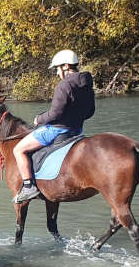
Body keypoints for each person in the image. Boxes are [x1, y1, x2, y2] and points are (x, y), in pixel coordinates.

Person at [12, 50, 95, 203]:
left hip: (57, 130)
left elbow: (56, 114)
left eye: (57, 68)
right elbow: (90, 111)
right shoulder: (87, 83)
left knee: (18, 149)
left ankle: (29, 186)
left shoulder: (64, 86)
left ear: (65, 66)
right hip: (77, 130)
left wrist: (39, 118)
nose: (57, 73)